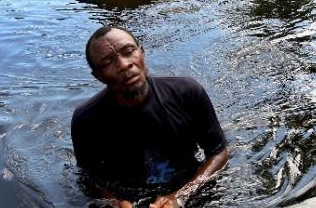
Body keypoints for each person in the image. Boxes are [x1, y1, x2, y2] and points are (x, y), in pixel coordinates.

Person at [72, 26, 229, 208]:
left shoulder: (187, 93)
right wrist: (115, 203)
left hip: (186, 185)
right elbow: (89, 177)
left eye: (129, 51)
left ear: (142, 52)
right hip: (128, 194)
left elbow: (218, 152)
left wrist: (181, 196)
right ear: (98, 76)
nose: (124, 65)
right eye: (108, 62)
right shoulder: (86, 120)